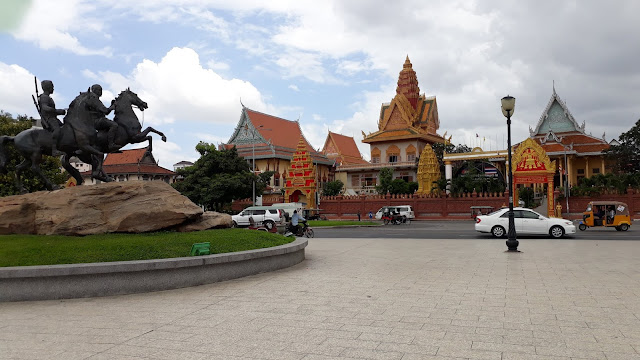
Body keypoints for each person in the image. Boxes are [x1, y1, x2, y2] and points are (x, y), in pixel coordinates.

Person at [88, 84, 119, 152]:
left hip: (97, 120)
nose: (100, 92)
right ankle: (111, 145)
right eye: (99, 90)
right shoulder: (94, 99)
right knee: (114, 125)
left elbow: (106, 112)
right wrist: (112, 106)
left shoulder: (95, 99)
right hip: (97, 121)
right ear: (94, 90)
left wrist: (111, 106)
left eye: (101, 90)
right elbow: (105, 111)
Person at [38, 80, 66, 156]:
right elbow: (45, 108)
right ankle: (54, 150)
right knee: (57, 130)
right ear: (48, 87)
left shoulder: (48, 97)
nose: (53, 89)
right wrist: (58, 111)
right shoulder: (44, 97)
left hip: (53, 118)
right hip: (49, 119)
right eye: (52, 87)